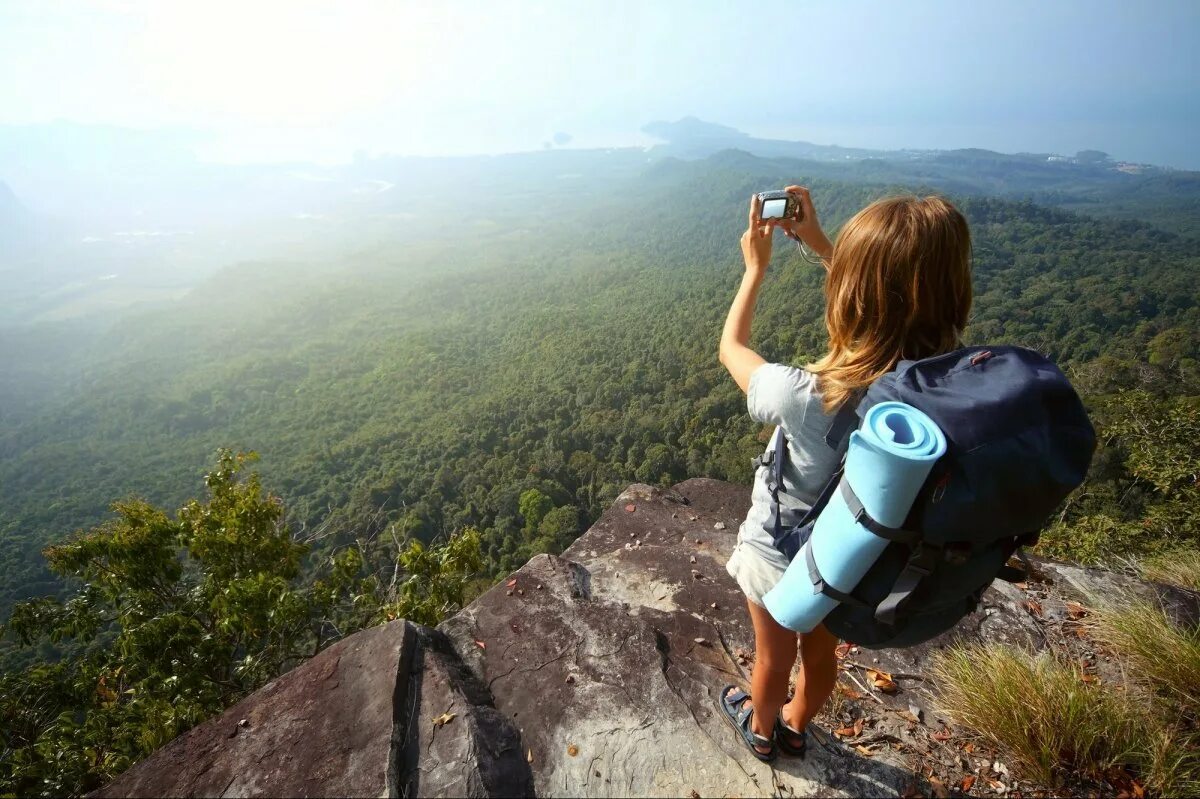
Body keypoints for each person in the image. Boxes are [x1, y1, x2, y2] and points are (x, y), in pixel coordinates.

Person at [716, 186, 973, 761]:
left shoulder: (801, 394)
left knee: (772, 657)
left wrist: (755, 269)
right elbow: (891, 312)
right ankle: (799, 725)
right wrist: (820, 243)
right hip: (853, 557)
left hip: (779, 552)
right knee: (822, 653)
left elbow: (731, 346)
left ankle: (761, 729)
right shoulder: (940, 385)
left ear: (851, 294)